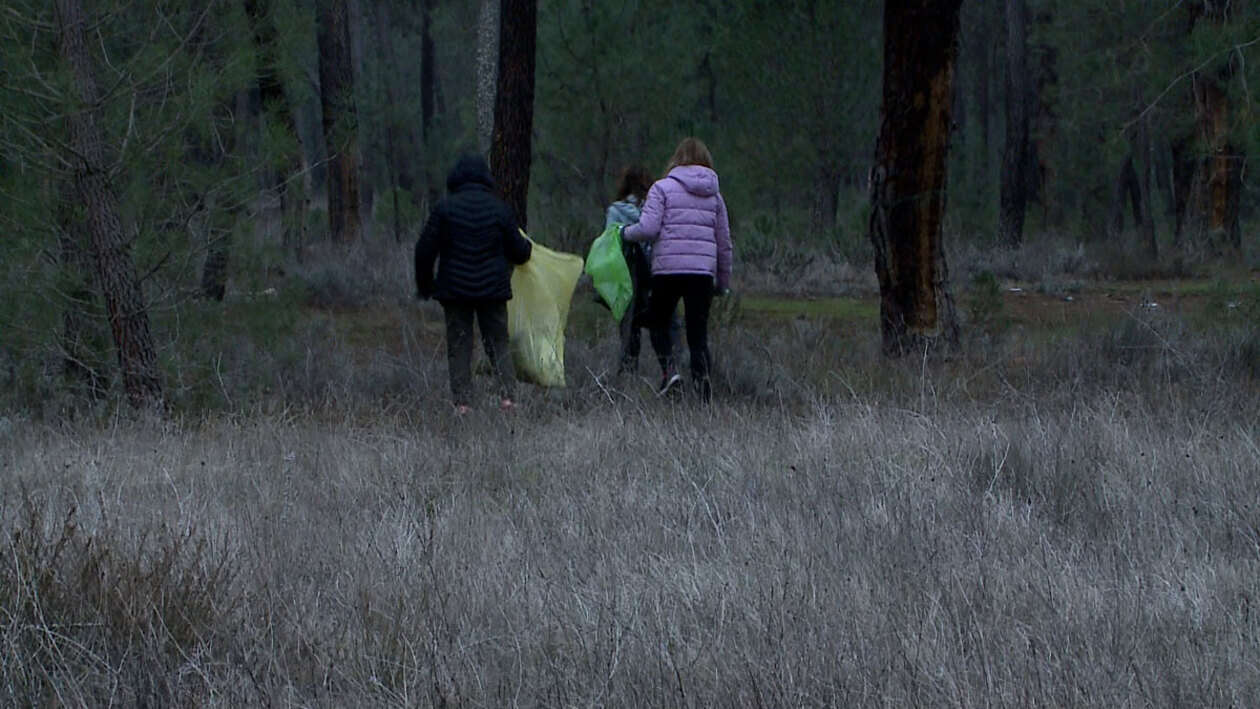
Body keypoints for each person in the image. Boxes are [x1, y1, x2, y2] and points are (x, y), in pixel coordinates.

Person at [415, 155, 532, 415]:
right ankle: (508, 399)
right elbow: (520, 252)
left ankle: (463, 404)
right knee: (498, 343)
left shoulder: (444, 209)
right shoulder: (499, 209)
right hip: (493, 290)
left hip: (455, 291)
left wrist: (425, 286)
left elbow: (424, 250)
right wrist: (527, 248)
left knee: (459, 345)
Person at [623, 137, 732, 401]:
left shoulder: (661, 189)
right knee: (698, 336)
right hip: (702, 274)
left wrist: (625, 233)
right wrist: (722, 282)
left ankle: (670, 371)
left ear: (676, 159)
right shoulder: (715, 196)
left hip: (668, 270)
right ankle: (703, 394)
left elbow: (648, 229)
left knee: (657, 320)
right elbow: (724, 243)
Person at [604, 165, 655, 377]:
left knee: (628, 324)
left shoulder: (615, 211)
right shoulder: (654, 210)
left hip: (624, 273)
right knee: (661, 321)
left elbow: (608, 243)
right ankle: (670, 368)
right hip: (652, 274)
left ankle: (627, 371)